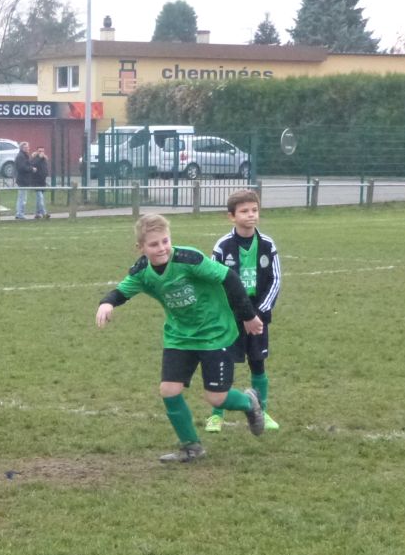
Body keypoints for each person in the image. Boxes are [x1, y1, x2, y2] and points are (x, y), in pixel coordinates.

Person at [95, 213, 266, 463]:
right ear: (140, 248)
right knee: (168, 390)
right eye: (154, 244)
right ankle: (191, 447)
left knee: (216, 398)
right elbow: (121, 291)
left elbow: (228, 277)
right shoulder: (142, 271)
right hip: (179, 336)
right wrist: (106, 303)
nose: (162, 248)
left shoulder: (189, 259)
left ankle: (249, 402)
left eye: (165, 241)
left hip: (214, 333)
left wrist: (248, 316)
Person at [206, 189, 282, 433]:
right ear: (231, 216)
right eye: (244, 211)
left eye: (254, 210)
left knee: (258, 362)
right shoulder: (222, 246)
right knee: (224, 363)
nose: (251, 215)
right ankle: (216, 415)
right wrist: (234, 312)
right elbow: (214, 282)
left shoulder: (267, 244)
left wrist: (258, 313)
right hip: (230, 317)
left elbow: (275, 280)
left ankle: (262, 411)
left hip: (258, 314)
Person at [13, 141, 35, 220]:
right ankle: (20, 214)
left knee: (22, 197)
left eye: (28, 147)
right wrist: (31, 169)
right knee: (22, 198)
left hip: (24, 180)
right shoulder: (21, 156)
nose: (28, 148)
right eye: (26, 147)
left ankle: (19, 213)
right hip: (22, 180)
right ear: (22, 148)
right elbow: (22, 168)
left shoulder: (24, 156)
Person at [30, 147, 51, 219]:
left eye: (42, 151)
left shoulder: (44, 159)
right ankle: (44, 213)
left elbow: (45, 169)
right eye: (39, 151)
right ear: (37, 151)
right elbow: (33, 164)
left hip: (42, 182)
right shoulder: (35, 159)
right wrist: (39, 158)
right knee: (40, 198)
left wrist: (46, 175)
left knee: (39, 199)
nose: (41, 152)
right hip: (36, 182)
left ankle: (37, 213)